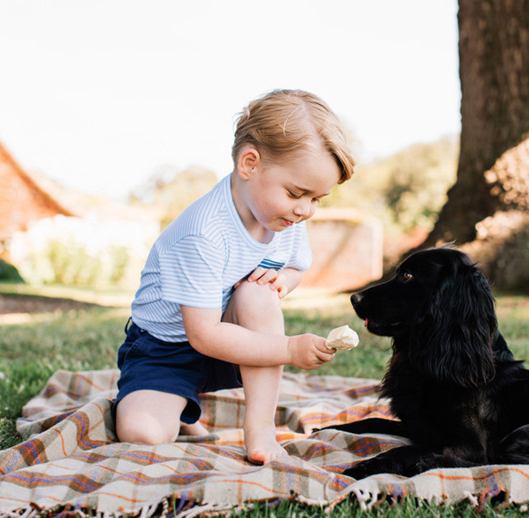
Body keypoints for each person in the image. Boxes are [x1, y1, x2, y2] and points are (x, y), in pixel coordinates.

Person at [113, 89, 355, 464]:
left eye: (317, 199)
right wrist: (290, 349)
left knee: (258, 296)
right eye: (297, 193)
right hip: (166, 348)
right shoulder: (203, 233)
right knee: (142, 434)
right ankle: (174, 403)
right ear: (249, 163)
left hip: (233, 339)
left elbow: (294, 268)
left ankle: (259, 430)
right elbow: (203, 334)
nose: (306, 209)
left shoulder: (285, 217)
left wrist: (280, 284)